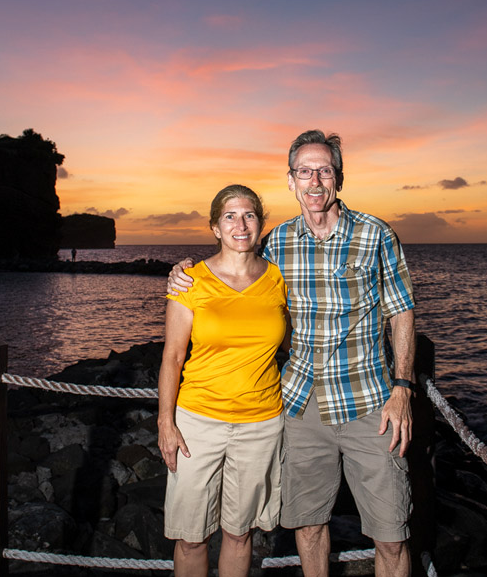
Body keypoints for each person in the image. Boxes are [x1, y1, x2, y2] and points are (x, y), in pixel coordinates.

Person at [168, 130, 417, 577]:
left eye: (324, 170)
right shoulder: (277, 243)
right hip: (301, 406)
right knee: (308, 525)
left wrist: (403, 388)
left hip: (369, 401)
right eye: (304, 171)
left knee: (391, 534)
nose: (314, 181)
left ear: (338, 177)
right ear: (291, 181)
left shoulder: (376, 234)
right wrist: (180, 271)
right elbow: (233, 261)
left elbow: (402, 313)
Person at [158, 184, 289, 577]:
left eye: (249, 214)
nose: (240, 224)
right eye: (230, 216)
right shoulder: (189, 282)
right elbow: (172, 358)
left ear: (261, 224)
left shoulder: (279, 279)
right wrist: (166, 422)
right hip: (197, 423)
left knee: (240, 533)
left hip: (262, 424)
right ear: (215, 227)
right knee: (191, 537)